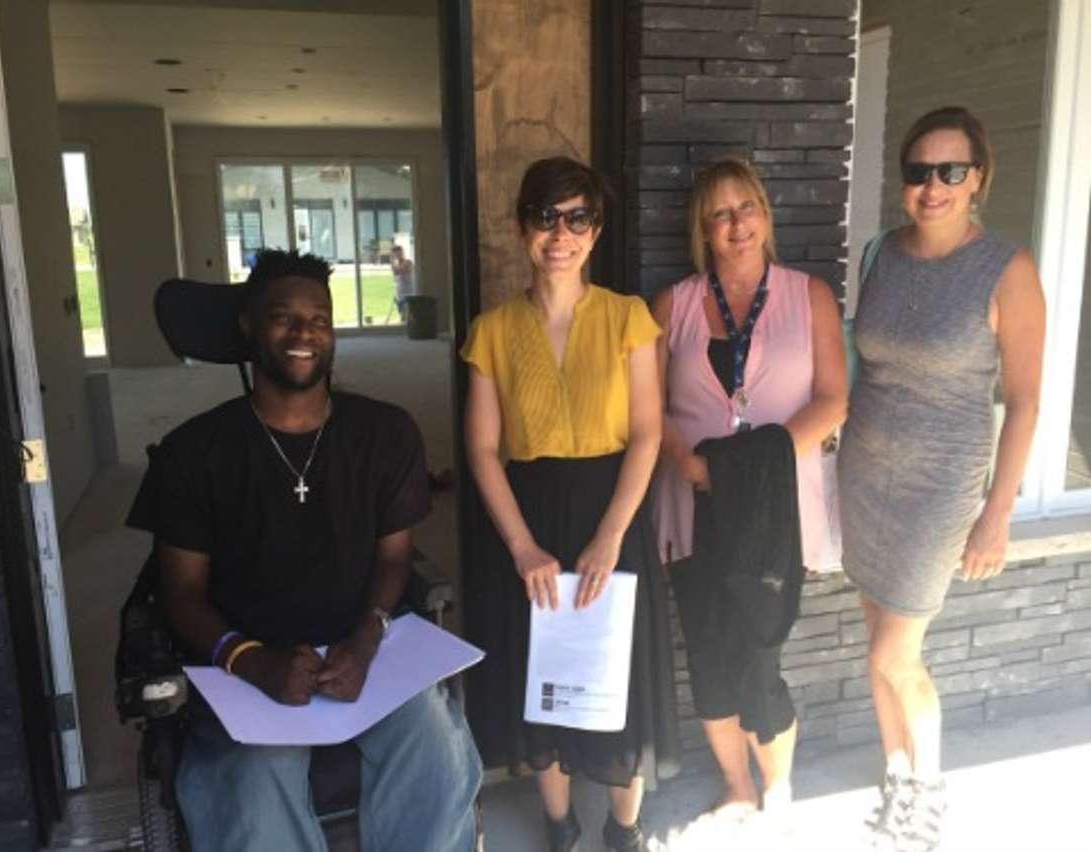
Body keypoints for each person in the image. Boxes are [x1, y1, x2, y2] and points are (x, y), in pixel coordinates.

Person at [131, 249, 482, 852]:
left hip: (364, 652)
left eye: (319, 319)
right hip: (242, 667)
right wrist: (249, 658)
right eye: (283, 318)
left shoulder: (386, 432)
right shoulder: (195, 452)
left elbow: (396, 559)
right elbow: (180, 593)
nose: (304, 334)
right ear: (248, 325)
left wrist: (368, 637)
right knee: (252, 780)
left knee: (437, 746)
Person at [839, 106, 1045, 850]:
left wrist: (998, 513)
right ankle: (896, 774)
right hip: (865, 470)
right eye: (919, 171)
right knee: (875, 634)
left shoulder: (1008, 270)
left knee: (895, 652)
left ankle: (927, 791)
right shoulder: (880, 254)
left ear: (978, 178)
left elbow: (1023, 404)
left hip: (941, 484)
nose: (933, 186)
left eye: (950, 171)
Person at [462, 156, 679, 852]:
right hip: (528, 523)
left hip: (612, 514)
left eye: (577, 218)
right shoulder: (491, 330)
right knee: (541, 671)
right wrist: (522, 545)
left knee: (618, 668)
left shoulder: (628, 319)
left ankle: (625, 826)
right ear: (522, 227)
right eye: (544, 218)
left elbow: (648, 433)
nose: (561, 234)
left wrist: (613, 534)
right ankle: (559, 822)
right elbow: (482, 452)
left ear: (597, 229)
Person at [651, 158, 847, 823]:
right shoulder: (672, 306)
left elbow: (832, 401)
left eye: (747, 207)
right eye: (719, 213)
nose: (736, 224)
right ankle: (737, 786)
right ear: (702, 230)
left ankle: (780, 787)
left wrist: (752, 466)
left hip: (774, 512)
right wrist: (689, 464)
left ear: (765, 214)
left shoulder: (809, 295)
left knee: (762, 655)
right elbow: (644, 411)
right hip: (693, 503)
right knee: (707, 651)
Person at [391, 244, 416, 320]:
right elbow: (396, 279)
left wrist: (391, 261)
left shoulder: (408, 262)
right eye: (395, 253)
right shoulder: (396, 264)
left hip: (408, 295)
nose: (397, 255)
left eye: (398, 252)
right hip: (400, 296)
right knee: (402, 317)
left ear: (402, 253)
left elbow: (397, 272)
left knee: (407, 318)